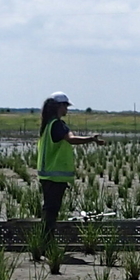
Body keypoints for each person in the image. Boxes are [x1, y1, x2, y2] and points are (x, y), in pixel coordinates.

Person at [36, 92, 104, 250]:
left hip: (47, 175)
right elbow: (71, 139)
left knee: (49, 210)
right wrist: (91, 139)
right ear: (58, 106)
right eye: (65, 106)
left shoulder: (48, 125)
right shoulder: (57, 125)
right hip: (55, 177)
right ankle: (46, 243)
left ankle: (46, 242)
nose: (67, 109)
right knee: (51, 211)